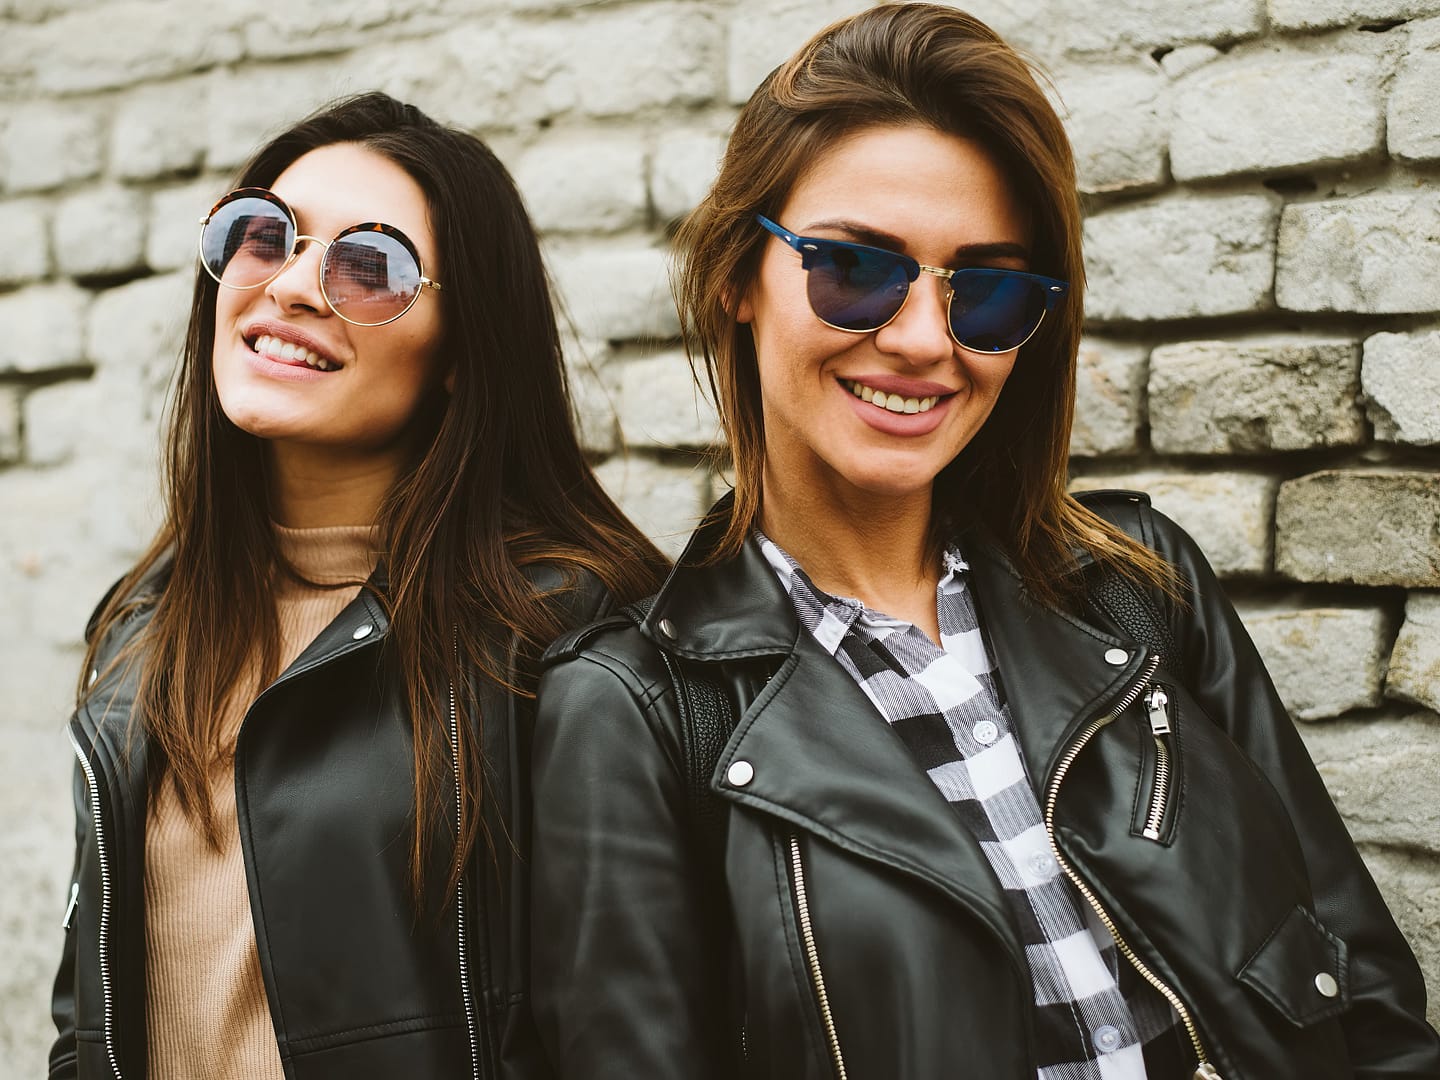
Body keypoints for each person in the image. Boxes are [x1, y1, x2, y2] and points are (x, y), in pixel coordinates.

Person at [528, 6, 1440, 1079]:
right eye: (854, 270)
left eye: (990, 291)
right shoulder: (633, 710)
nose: (922, 341)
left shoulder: (1134, 588)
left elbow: (1367, 1004)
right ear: (738, 276)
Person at [49, 92, 667, 1080]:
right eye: (263, 237)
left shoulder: (565, 634)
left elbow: (629, 1035)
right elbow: (90, 1023)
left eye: (368, 266)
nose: (292, 286)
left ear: (464, 351)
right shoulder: (139, 629)